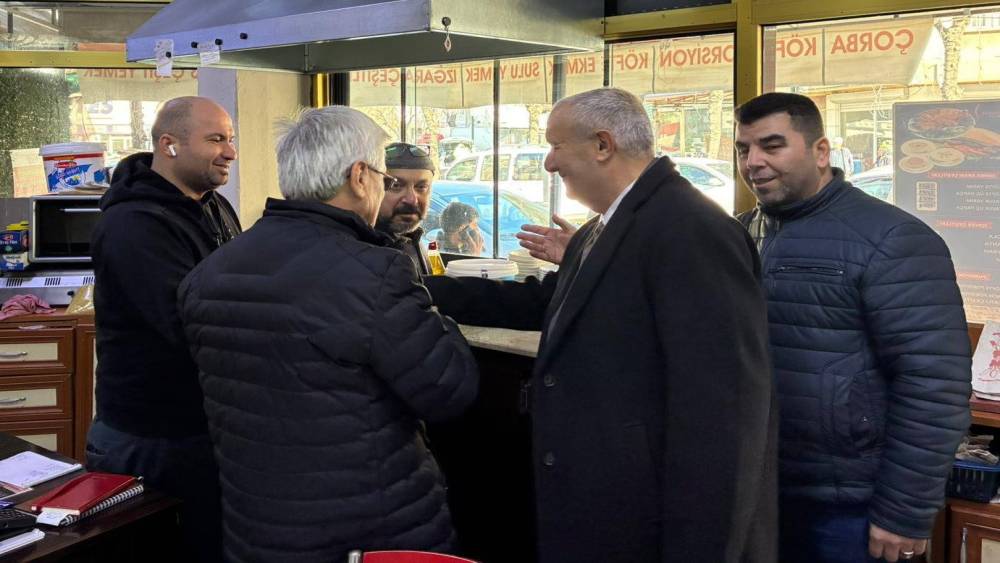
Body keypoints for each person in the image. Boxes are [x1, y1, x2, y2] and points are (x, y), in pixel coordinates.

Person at [423, 87, 777, 562]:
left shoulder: (691, 230)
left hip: (646, 520)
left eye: (556, 145)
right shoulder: (602, 228)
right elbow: (548, 303)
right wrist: (424, 288)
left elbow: (723, 414)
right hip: (601, 507)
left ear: (603, 145)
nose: (548, 163)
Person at [176, 106, 479, 563]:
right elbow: (449, 389)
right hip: (370, 531)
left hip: (255, 528)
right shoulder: (373, 273)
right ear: (359, 176)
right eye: (385, 178)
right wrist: (437, 316)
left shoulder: (208, 274)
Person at [733, 92, 971, 563]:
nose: (753, 162)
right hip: (761, 493)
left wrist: (903, 511)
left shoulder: (891, 238)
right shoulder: (739, 234)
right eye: (743, 149)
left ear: (820, 151)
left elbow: (934, 384)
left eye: (772, 145)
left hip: (850, 509)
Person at [87, 95, 241, 562]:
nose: (230, 151)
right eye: (216, 139)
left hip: (201, 431)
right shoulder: (133, 224)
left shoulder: (215, 206)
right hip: (150, 440)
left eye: (230, 139)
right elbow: (185, 324)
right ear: (169, 145)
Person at [375, 142, 436, 273]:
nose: (412, 200)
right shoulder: (361, 253)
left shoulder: (413, 240)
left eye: (421, 187)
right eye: (396, 186)